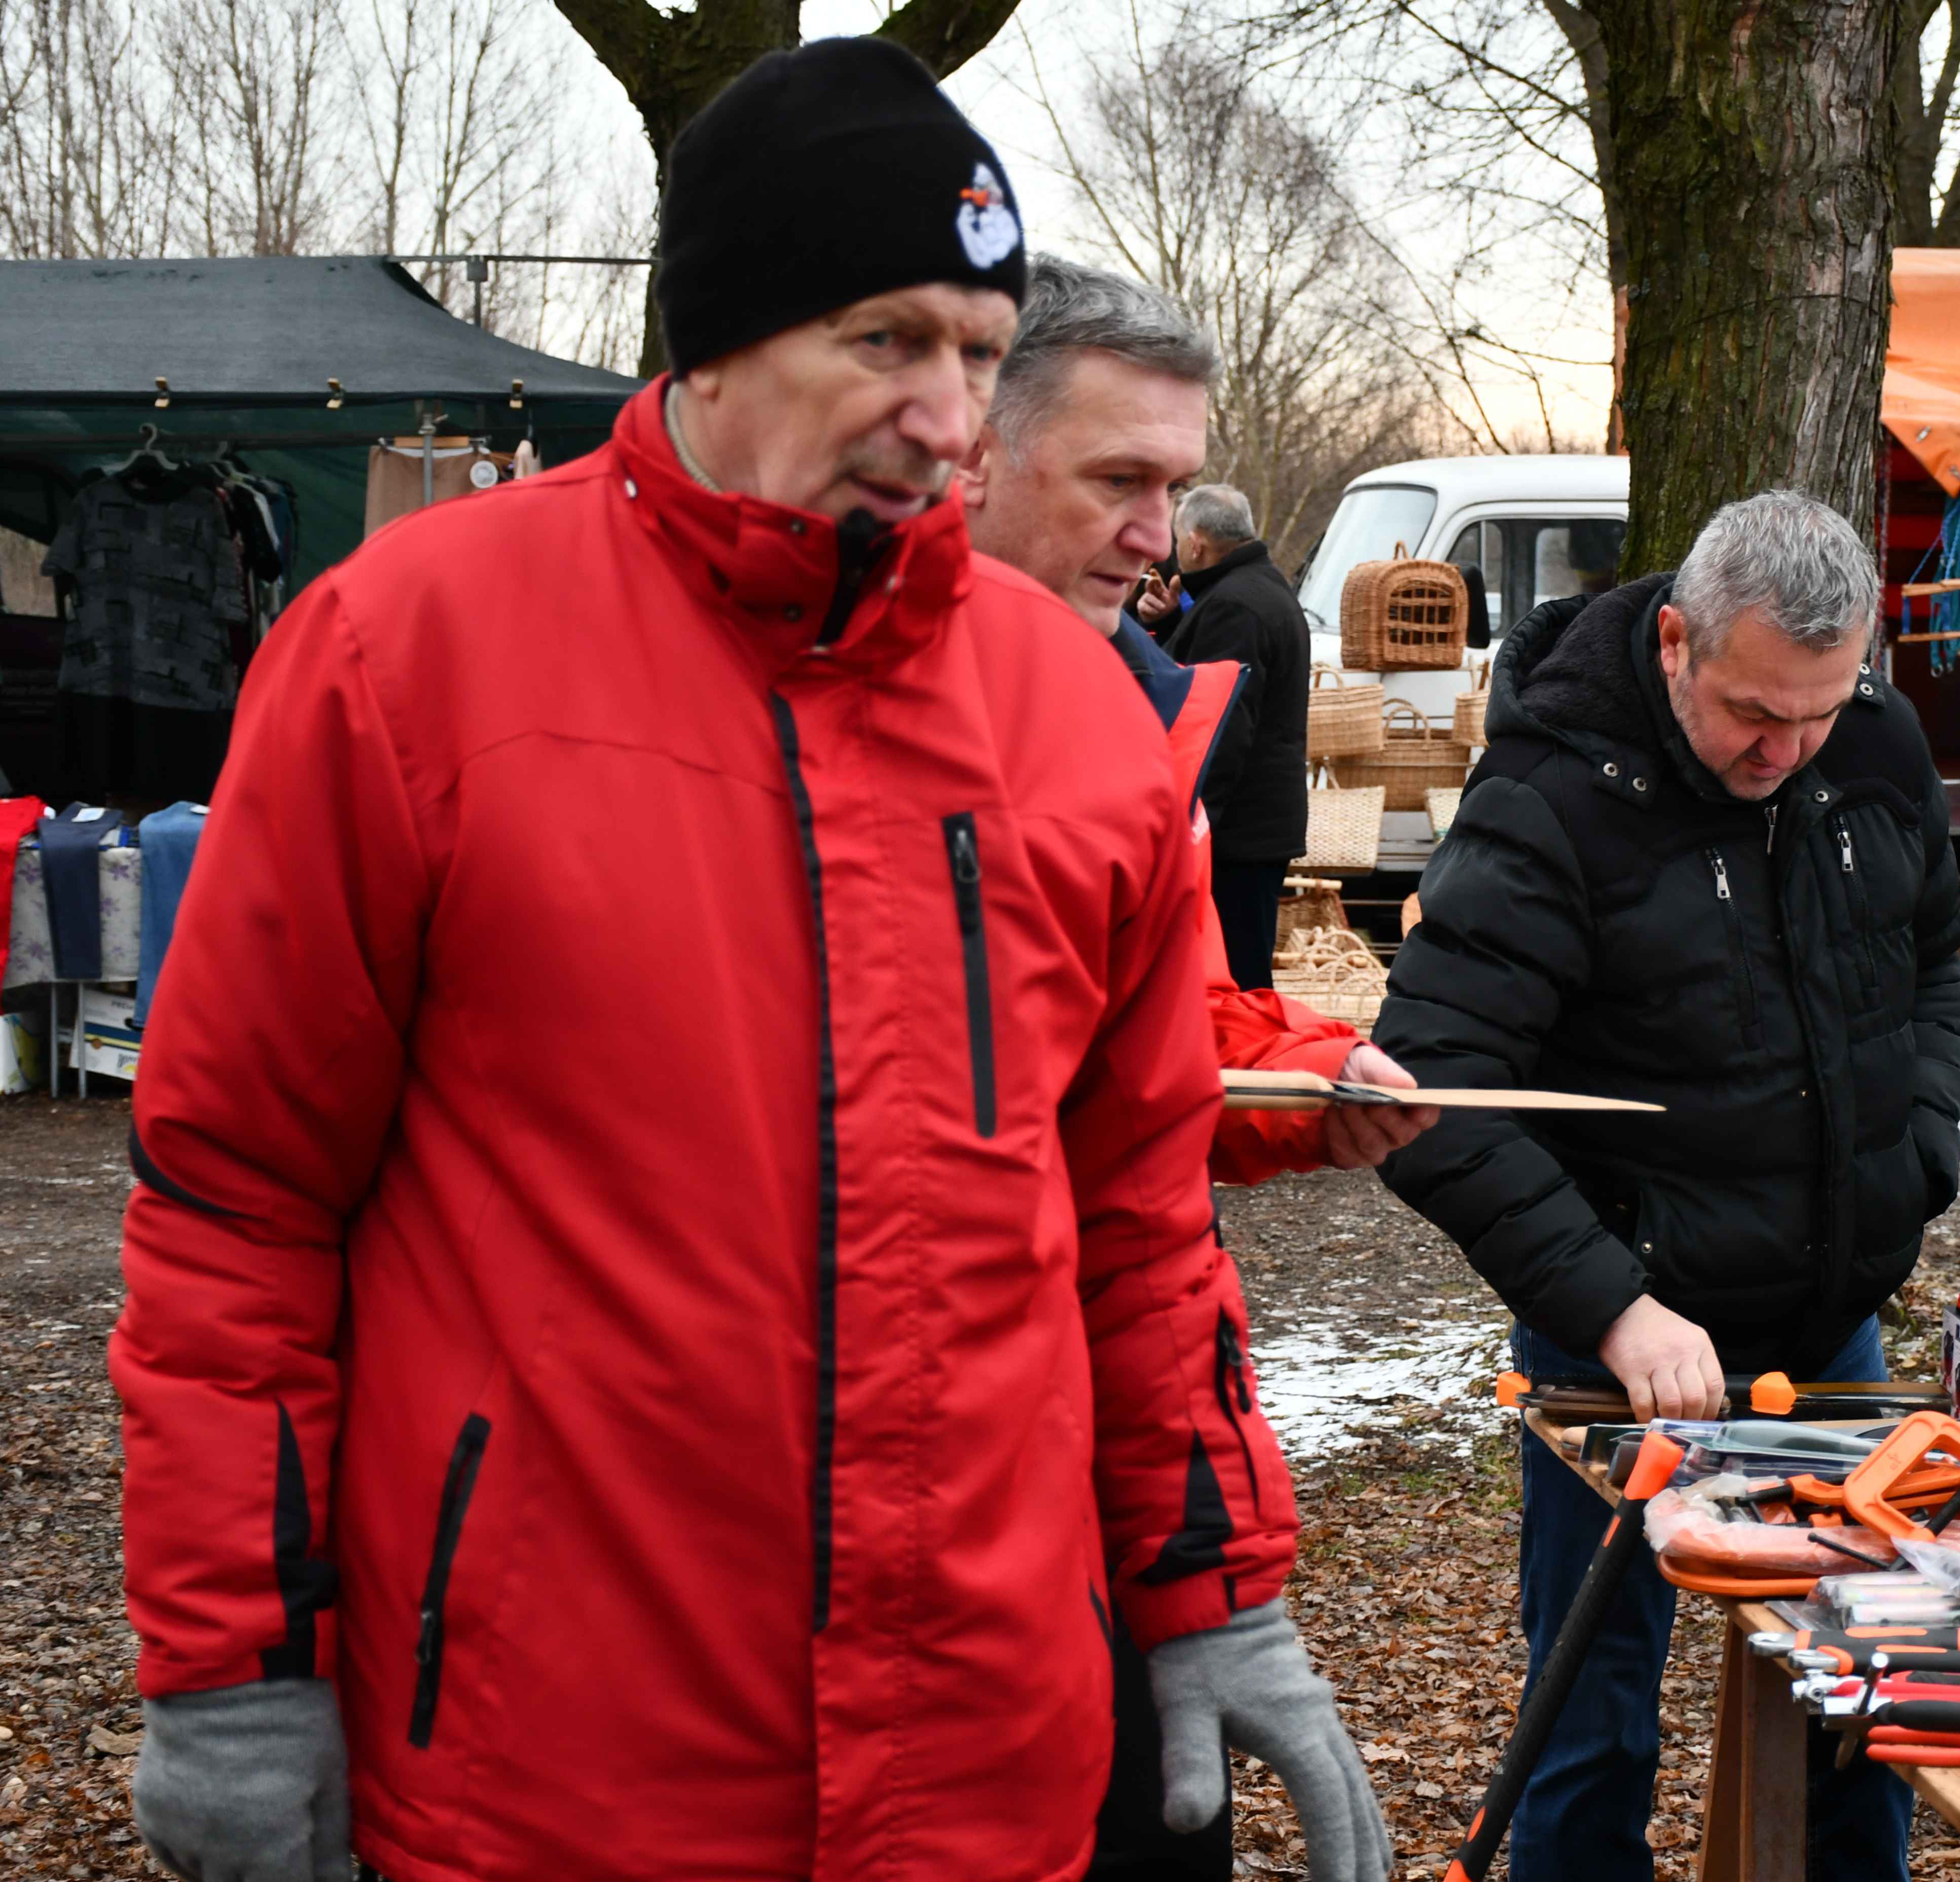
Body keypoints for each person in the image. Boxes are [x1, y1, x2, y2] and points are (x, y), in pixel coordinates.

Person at [110, 40, 1386, 1882]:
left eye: (974, 348)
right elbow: (237, 1197)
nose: (948, 413)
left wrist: (1210, 1588)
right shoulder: (405, 659)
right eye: (886, 340)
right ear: (709, 339)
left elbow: (1134, 1216)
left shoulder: (1079, 718)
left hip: (979, 1763)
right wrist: (238, 1666)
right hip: (556, 1764)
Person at [1373, 490, 1960, 1882]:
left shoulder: (1870, 744)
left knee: (1858, 1694)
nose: (1790, 748)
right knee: (1595, 1714)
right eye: (1756, 713)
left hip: (1831, 1323)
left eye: (1819, 712)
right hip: (1621, 1348)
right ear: (1671, 643)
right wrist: (1616, 1302)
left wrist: (1919, 1146)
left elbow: (1936, 963)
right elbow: (1432, 1083)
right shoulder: (1552, 796)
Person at [962, 251, 1429, 1880]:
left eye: (1172, 486)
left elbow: (1137, 1116)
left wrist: (1313, 1074)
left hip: (1083, 1489)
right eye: (1117, 479)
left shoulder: (1134, 719)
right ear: (970, 448)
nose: (1158, 533)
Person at [1157, 482, 1311, 989]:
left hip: (1235, 836)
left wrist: (1190, 825)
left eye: (1179, 542)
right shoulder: (1265, 587)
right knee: (1246, 965)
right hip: (1258, 828)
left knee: (1238, 977)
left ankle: (1247, 1069)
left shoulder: (1234, 607)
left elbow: (1223, 725)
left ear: (1196, 543)